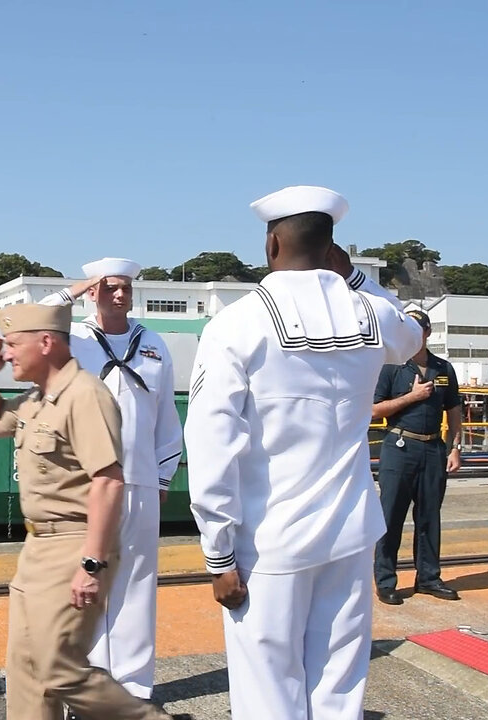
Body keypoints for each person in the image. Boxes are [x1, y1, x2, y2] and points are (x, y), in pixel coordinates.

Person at [184, 185, 422, 719]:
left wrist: (218, 552)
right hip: (351, 530)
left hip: (270, 541)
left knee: (269, 688)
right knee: (339, 685)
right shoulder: (369, 312)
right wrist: (354, 277)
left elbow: (212, 442)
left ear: (272, 243)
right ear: (332, 246)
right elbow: (411, 337)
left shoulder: (235, 323)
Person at [0, 303, 189, 720]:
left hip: (72, 545)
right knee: (26, 670)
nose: (7, 353)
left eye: (14, 344)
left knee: (59, 667)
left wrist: (91, 564)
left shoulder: (85, 395)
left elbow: (108, 480)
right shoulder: (37, 400)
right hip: (37, 547)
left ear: (47, 342)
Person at [39, 257, 183, 703]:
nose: (119, 295)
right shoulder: (74, 339)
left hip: (139, 481)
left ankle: (133, 688)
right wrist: (75, 290)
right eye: (110, 288)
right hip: (82, 485)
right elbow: (30, 322)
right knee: (82, 585)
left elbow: (165, 417)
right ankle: (87, 687)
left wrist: (162, 477)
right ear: (94, 291)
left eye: (126, 288)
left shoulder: (153, 343)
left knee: (137, 586)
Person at [371, 308, 463, 605]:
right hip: (400, 447)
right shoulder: (390, 366)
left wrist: (455, 448)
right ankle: (386, 581)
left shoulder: (443, 368)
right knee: (391, 517)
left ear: (427, 333)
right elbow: (374, 410)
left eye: (418, 329)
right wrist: (412, 397)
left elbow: (455, 412)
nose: (412, 334)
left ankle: (428, 578)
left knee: (429, 518)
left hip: (433, 449)